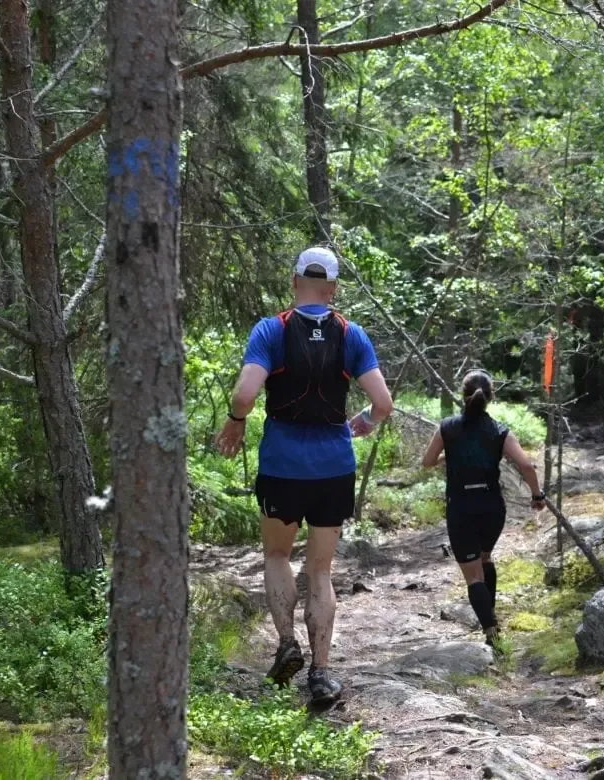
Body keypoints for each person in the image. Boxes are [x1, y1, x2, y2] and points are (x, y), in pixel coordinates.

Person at [215, 246, 393, 705]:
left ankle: (286, 644)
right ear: (332, 288)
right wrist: (363, 425)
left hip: (283, 465)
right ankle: (321, 672)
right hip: (334, 466)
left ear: (295, 281)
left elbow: (246, 393)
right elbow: (383, 404)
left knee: (276, 556)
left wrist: (236, 421)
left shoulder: (271, 330)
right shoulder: (352, 336)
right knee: (320, 568)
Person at [421, 370, 545, 645]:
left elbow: (428, 461)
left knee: (472, 574)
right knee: (485, 557)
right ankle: (491, 616)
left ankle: (491, 632)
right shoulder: (500, 431)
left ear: (461, 395)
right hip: (492, 508)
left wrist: (447, 459)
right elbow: (526, 465)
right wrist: (538, 496)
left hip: (461, 507)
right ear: (492, 396)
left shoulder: (447, 427)